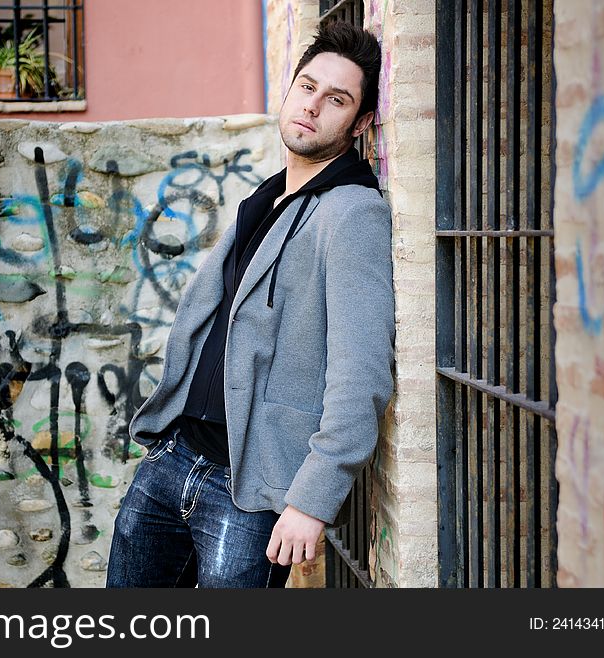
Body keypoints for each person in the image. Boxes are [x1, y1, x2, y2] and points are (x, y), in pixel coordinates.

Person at [106, 21, 395, 588]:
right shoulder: (265, 199)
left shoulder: (351, 213)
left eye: (336, 99)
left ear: (361, 124)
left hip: (248, 487)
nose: (312, 107)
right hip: (172, 460)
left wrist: (312, 499)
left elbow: (360, 373)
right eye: (307, 87)